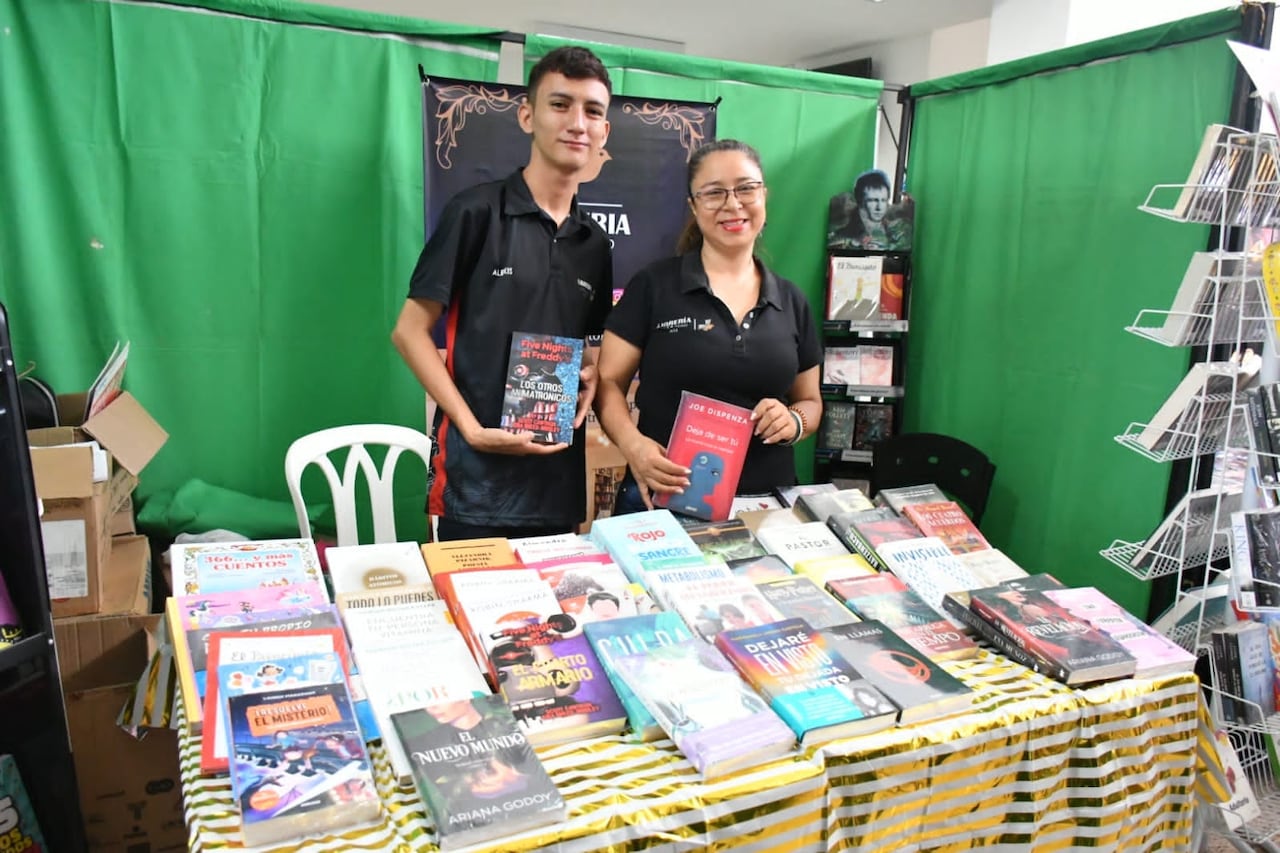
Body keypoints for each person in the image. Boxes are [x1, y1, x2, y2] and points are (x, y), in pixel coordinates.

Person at [392, 46, 614, 542]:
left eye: (592, 111)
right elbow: (409, 333)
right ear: (527, 115)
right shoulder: (474, 212)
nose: (577, 122)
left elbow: (591, 342)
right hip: (475, 484)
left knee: (553, 621)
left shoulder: (596, 244)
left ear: (604, 132)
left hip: (557, 487)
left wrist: (591, 376)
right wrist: (469, 429)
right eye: (560, 104)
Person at [594, 139, 823, 514]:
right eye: (714, 193)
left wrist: (794, 421)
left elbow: (810, 402)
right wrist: (634, 446)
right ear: (693, 205)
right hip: (664, 499)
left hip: (766, 508)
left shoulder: (791, 300)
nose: (733, 204)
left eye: (746, 188)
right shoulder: (654, 286)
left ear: (764, 194)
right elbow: (608, 384)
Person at [828, 169, 892, 250]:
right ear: (860, 200)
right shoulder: (841, 236)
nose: (879, 207)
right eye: (872, 200)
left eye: (883, 200)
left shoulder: (895, 234)